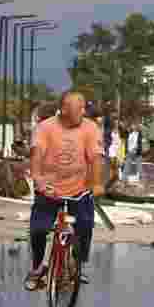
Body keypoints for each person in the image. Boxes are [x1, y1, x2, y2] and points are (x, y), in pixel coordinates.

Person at [24, 90, 105, 291]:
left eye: (84, 107)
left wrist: (96, 183)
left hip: (79, 189)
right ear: (64, 109)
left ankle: (79, 264)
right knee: (39, 229)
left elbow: (95, 157)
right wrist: (38, 179)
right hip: (49, 190)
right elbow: (36, 154)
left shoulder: (90, 128)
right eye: (80, 108)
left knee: (86, 225)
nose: (84, 111)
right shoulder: (45, 128)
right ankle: (37, 267)